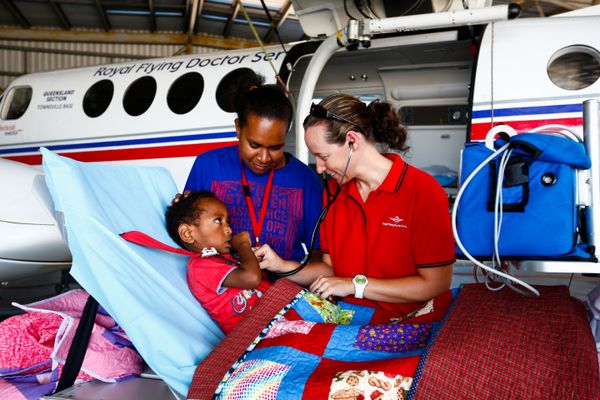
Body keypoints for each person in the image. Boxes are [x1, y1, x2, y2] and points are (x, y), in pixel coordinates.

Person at [255, 94, 455, 315]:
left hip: (406, 320)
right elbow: (330, 268)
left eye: (323, 156)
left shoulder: (423, 191)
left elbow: (435, 284)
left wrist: (354, 285)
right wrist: (280, 265)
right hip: (350, 315)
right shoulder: (334, 191)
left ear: (352, 141)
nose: (319, 168)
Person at [182, 73, 323, 265]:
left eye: (275, 148)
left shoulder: (306, 180)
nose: (264, 158)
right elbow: (187, 236)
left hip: (283, 289)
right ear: (238, 127)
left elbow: (319, 255)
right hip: (221, 288)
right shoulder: (208, 165)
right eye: (254, 145)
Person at [121, 190, 269, 334]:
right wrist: (243, 245)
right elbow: (251, 278)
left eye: (227, 222)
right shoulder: (200, 267)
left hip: (270, 318)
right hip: (253, 334)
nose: (229, 229)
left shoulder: (224, 257)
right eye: (218, 221)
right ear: (188, 233)